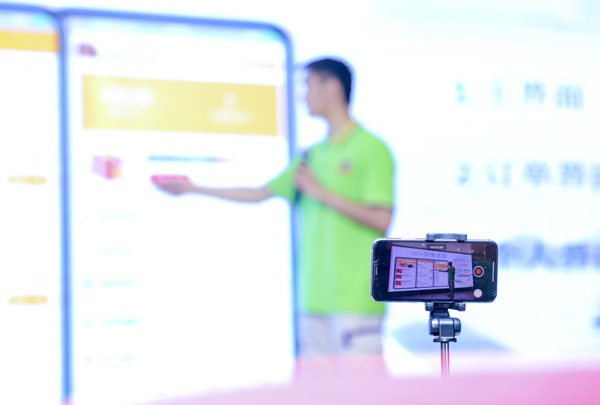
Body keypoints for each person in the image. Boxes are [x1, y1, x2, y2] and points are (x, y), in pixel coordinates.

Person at [158, 58, 394, 358]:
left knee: (362, 385)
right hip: (312, 302)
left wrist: (319, 192)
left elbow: (381, 218)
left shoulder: (371, 148)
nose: (303, 96)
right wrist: (192, 188)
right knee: (317, 385)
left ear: (332, 87)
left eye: (308, 86)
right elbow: (259, 193)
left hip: (356, 302)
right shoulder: (312, 156)